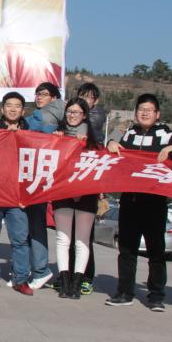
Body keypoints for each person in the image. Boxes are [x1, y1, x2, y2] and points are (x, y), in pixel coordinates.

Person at [104, 94, 172, 310]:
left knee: (156, 251)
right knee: (126, 250)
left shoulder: (166, 133)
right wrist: (111, 142)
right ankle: (124, 292)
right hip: (130, 200)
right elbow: (111, 143)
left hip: (155, 202)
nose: (145, 113)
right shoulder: (129, 133)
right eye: (141, 110)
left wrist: (171, 148)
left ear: (157, 114)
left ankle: (156, 296)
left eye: (149, 110)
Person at [0, 92, 33, 294]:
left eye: (17, 106)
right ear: (2, 109)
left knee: (20, 240)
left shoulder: (32, 135)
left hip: (18, 196)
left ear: (23, 111)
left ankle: (21, 279)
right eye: (9, 105)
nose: (12, 109)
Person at [52, 97, 102, 299]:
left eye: (77, 112)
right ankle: (64, 281)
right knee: (63, 239)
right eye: (69, 112)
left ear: (85, 115)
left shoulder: (93, 140)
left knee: (82, 241)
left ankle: (77, 283)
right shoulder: (57, 135)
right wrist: (56, 140)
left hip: (86, 194)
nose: (72, 116)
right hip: (62, 192)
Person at [23, 81, 62, 291]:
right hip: (37, 176)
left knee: (35, 225)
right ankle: (32, 269)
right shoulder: (58, 117)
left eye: (44, 94)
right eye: (37, 93)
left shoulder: (43, 116)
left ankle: (40, 270)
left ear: (54, 98)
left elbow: (33, 128)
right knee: (30, 226)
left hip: (39, 177)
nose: (39, 97)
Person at [70, 81, 106, 295]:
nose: (85, 100)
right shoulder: (73, 118)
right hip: (71, 180)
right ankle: (70, 274)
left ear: (95, 101)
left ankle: (85, 276)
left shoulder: (95, 117)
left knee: (84, 236)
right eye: (81, 95)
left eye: (89, 97)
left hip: (87, 178)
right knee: (68, 235)